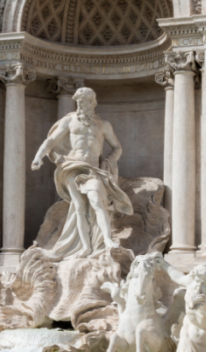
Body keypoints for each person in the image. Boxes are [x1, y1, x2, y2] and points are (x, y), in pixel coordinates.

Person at [31, 87, 133, 259]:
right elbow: (51, 140)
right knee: (79, 207)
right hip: (72, 166)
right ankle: (85, 247)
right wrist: (38, 157)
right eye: (78, 102)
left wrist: (109, 161)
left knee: (97, 201)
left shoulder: (103, 124)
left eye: (85, 101)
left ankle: (107, 240)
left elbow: (117, 146)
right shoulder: (69, 120)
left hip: (93, 169)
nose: (81, 105)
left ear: (93, 102)